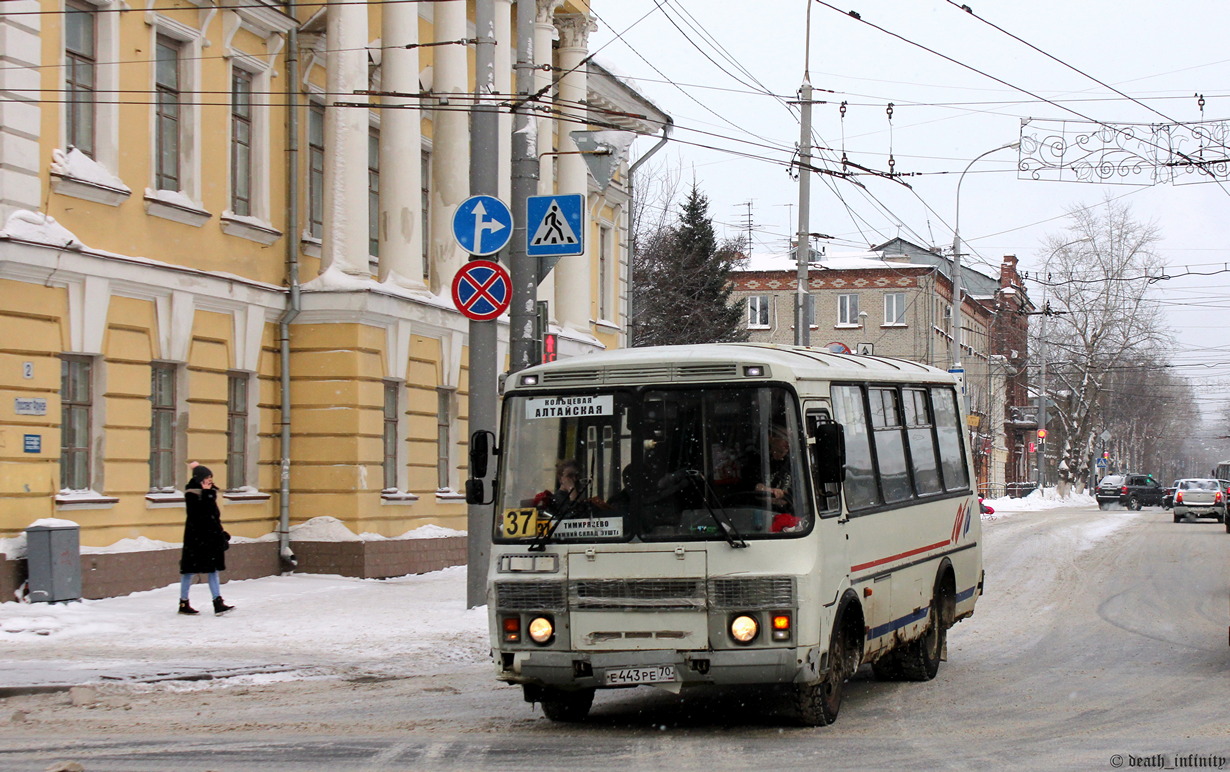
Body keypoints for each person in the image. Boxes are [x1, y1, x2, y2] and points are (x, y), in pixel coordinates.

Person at [178, 462, 235, 616]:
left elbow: (214, 518)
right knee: (188, 572)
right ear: (200, 480)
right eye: (207, 479)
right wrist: (207, 494)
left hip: (210, 538)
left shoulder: (208, 494)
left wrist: (221, 533)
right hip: (196, 539)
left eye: (211, 479)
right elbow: (202, 515)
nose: (210, 481)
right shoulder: (192, 494)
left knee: (213, 570)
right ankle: (184, 602)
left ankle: (218, 602)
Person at [754, 424, 794, 510]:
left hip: (788, 515)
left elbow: (800, 493)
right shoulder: (758, 462)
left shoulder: (795, 464)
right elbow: (753, 486)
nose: (788, 442)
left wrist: (784, 495)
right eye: (784, 437)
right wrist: (768, 491)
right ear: (770, 438)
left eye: (790, 438)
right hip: (762, 512)